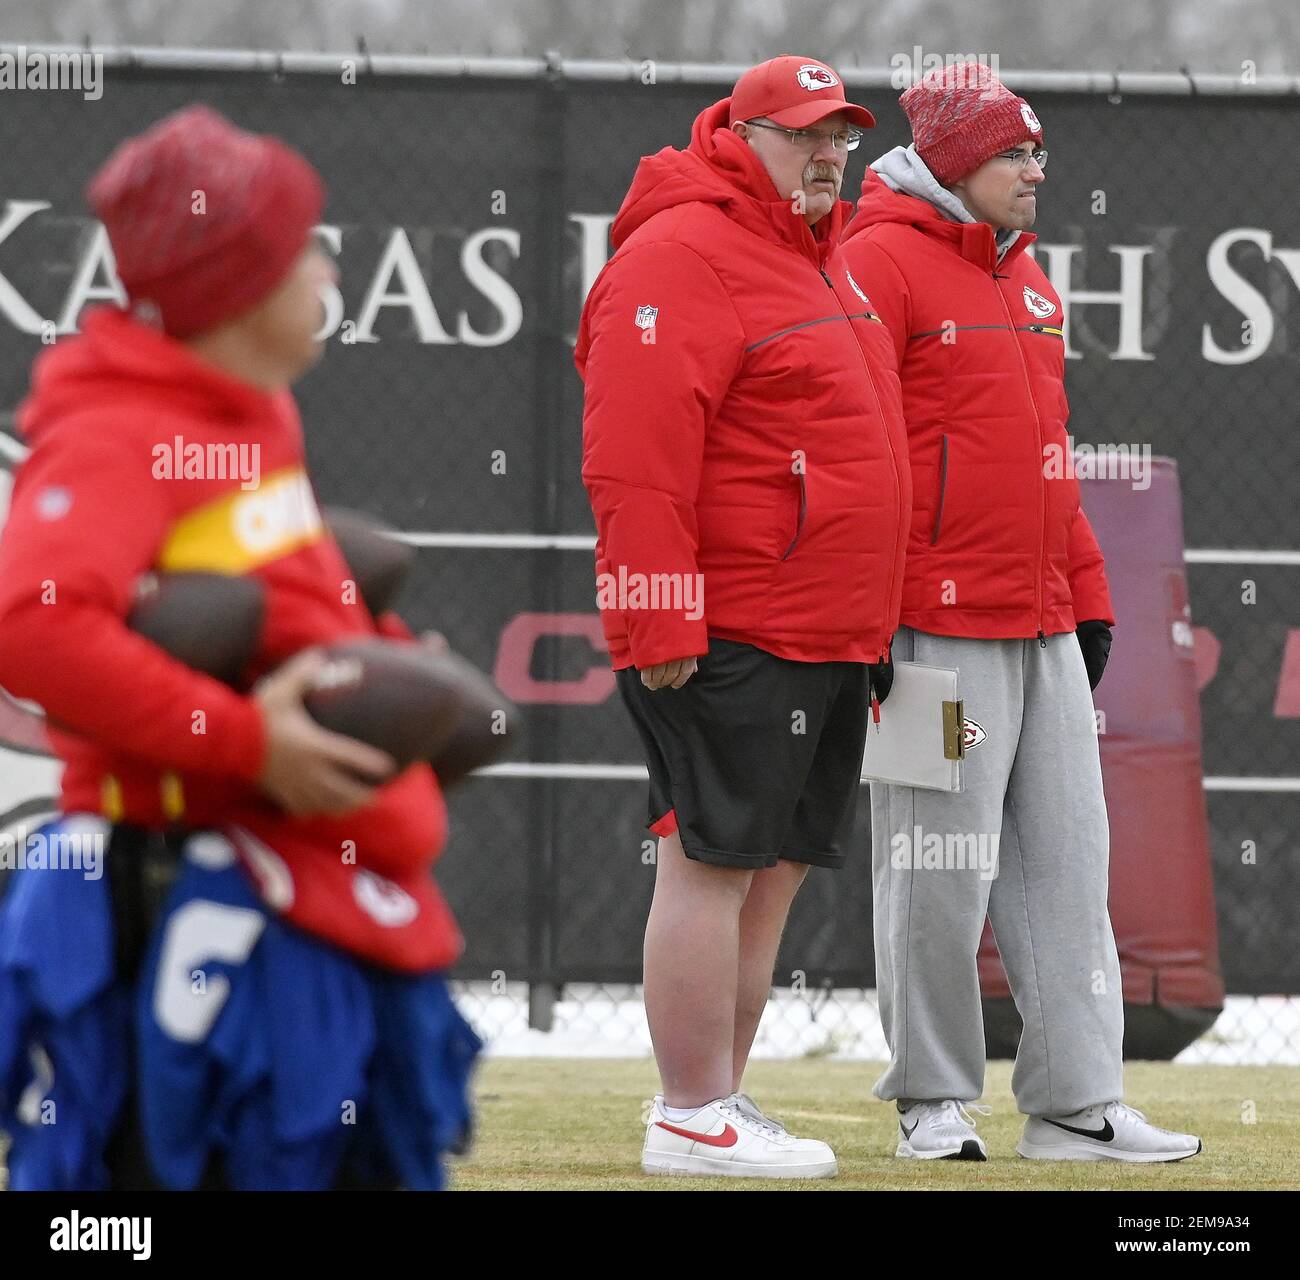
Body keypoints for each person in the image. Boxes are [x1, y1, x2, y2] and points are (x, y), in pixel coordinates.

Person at [0, 106, 479, 1190]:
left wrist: (374, 647)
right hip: (196, 909)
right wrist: (244, 742)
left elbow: (266, 603)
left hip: (322, 889)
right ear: (240, 286)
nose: (329, 266)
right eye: (307, 246)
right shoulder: (118, 431)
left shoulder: (254, 411)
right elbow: (29, 622)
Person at [833, 63, 1200, 1162]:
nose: (1036, 170)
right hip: (928, 629)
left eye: (1038, 151)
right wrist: (871, 625)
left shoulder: (1031, 283)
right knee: (935, 872)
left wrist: (1085, 597)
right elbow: (863, 462)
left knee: (1070, 868)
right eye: (1012, 153)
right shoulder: (875, 261)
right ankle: (930, 1100)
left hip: (1040, 627)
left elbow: (1054, 469)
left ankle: (1076, 1103)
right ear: (951, 161)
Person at [576, 56, 910, 1178]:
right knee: (710, 864)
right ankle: (686, 1108)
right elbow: (634, 463)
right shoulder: (676, 253)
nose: (828, 155)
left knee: (771, 872)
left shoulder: (823, 262)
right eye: (806, 134)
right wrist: (655, 620)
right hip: (730, 628)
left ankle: (720, 1098)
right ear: (739, 133)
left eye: (843, 138)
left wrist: (875, 623)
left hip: (827, 629)